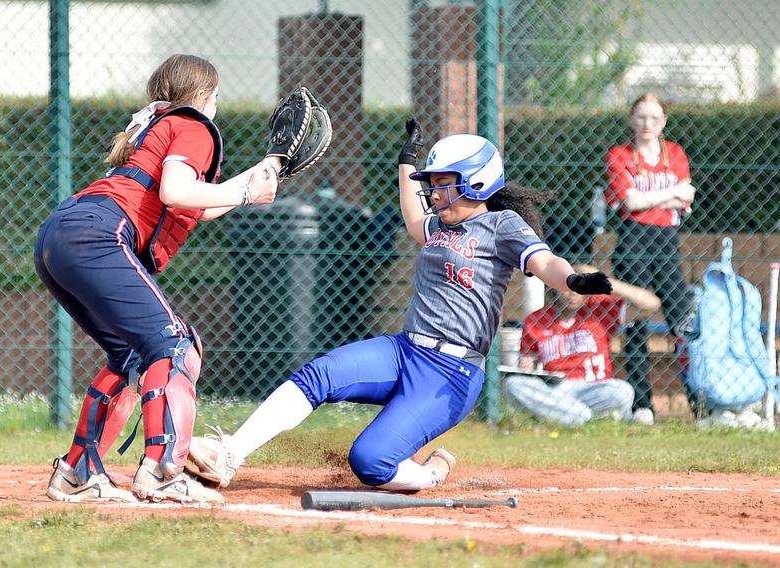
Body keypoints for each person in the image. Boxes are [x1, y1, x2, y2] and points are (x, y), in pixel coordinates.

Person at [184, 120, 613, 492]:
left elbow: (544, 262)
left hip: (452, 373)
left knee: (369, 461)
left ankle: (430, 474)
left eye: (444, 183)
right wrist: (407, 159)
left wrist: (571, 278)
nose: (435, 192)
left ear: (476, 183)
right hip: (406, 349)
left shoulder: (502, 226)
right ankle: (229, 454)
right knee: (319, 374)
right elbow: (412, 216)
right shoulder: (441, 224)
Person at [37, 54, 281, 504]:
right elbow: (175, 191)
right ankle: (165, 471)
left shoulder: (153, 124)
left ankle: (76, 473)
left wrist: (260, 175)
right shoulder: (195, 124)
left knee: (130, 356)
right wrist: (246, 190)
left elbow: (195, 205)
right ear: (204, 97)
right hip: (99, 235)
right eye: (217, 97)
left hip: (61, 234)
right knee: (175, 346)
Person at [605, 93, 697, 424]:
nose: (648, 124)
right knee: (636, 323)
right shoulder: (619, 155)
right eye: (641, 117)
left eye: (654, 118)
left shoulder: (675, 153)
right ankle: (641, 405)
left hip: (666, 243)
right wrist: (669, 194)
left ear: (664, 122)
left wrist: (650, 199)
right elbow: (629, 203)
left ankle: (699, 401)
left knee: (682, 321)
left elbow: (686, 198)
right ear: (632, 120)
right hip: (633, 241)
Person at [503, 267, 662, 426]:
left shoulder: (600, 310)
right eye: (568, 288)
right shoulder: (536, 320)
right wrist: (527, 369)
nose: (573, 293)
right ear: (554, 288)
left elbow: (652, 305)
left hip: (595, 389)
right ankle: (585, 418)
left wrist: (604, 281)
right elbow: (526, 365)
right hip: (556, 390)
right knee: (513, 385)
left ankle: (569, 417)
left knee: (623, 390)